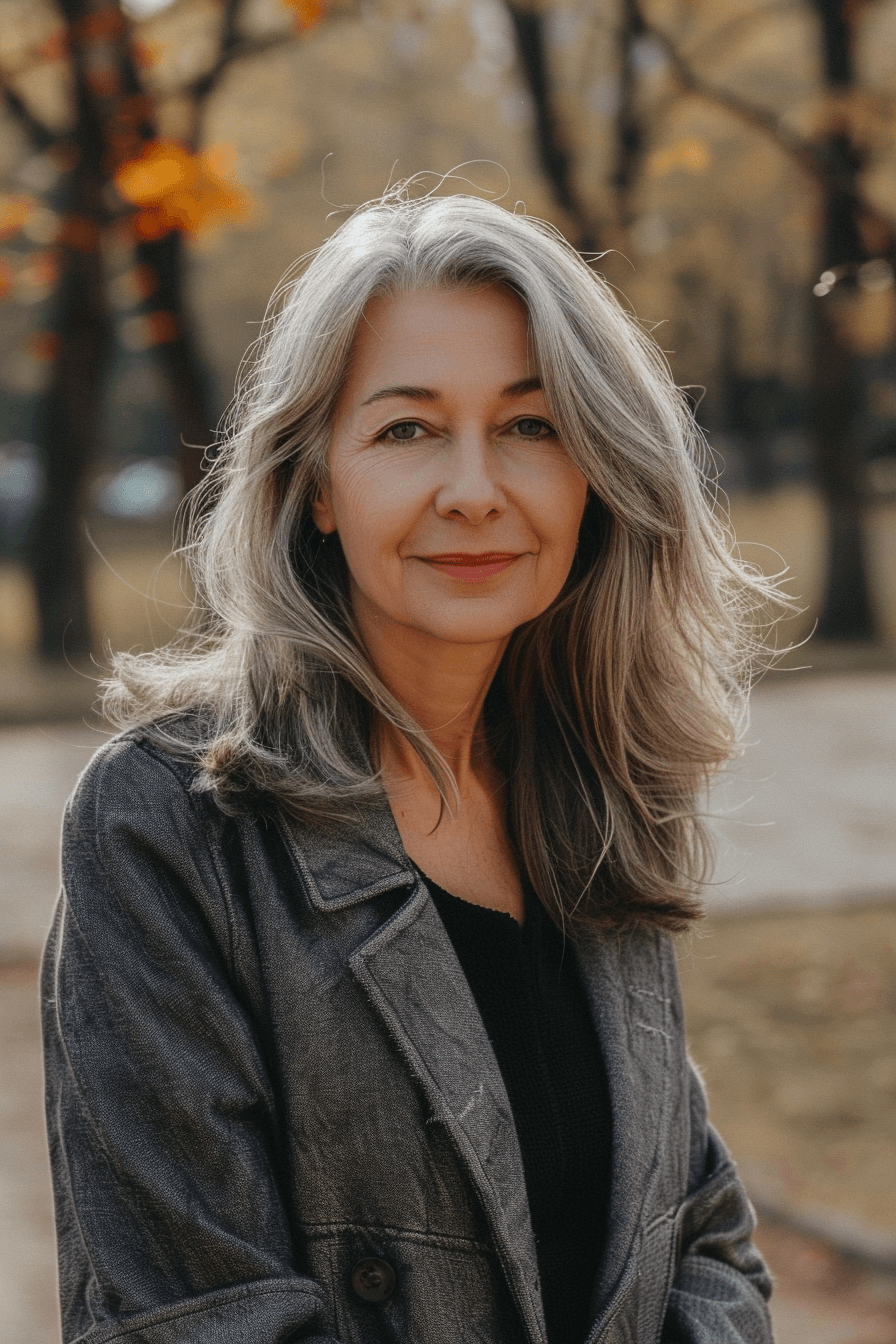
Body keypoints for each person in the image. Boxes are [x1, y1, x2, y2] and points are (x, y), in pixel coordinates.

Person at [43, 189, 780, 1344]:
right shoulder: (170, 823)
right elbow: (196, 1318)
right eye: (407, 429)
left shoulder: (591, 791)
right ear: (316, 485)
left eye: (531, 426)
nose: (475, 487)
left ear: (594, 475)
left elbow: (701, 1244)